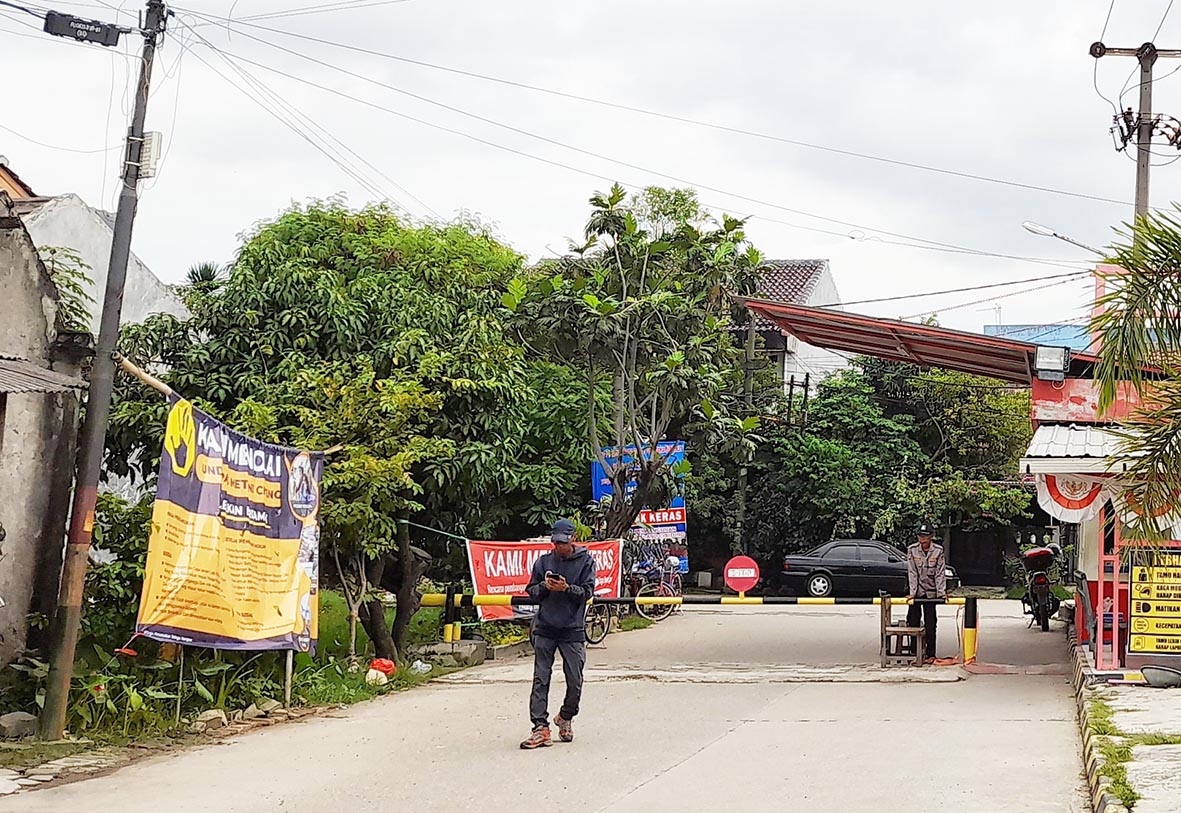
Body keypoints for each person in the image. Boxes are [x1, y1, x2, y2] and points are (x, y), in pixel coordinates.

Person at [520, 518, 597, 749]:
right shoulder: (544, 562)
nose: (559, 547)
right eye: (555, 542)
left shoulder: (586, 562)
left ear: (573, 538)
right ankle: (540, 728)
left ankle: (566, 716)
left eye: (563, 542)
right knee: (540, 679)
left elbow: (587, 592)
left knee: (575, 679)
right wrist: (545, 587)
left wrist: (567, 589)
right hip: (545, 627)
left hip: (572, 629)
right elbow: (531, 590)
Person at [906, 523, 947, 662]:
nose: (922, 539)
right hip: (917, 591)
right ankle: (913, 651)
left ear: (931, 537)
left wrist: (941, 593)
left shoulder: (938, 550)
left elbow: (940, 573)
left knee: (931, 622)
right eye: (920, 535)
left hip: (931, 591)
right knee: (912, 620)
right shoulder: (912, 550)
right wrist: (912, 592)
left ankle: (931, 654)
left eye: (925, 536)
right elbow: (912, 572)